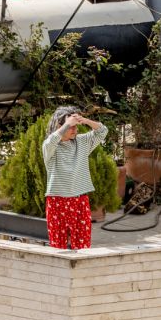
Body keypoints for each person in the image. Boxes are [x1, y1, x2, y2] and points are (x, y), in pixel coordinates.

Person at [41, 106, 107, 250]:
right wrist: (66, 124)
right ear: (60, 126)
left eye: (76, 126)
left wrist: (85, 120)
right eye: (72, 127)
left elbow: (102, 131)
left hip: (80, 200)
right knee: (58, 248)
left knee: (83, 246)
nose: (75, 130)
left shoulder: (81, 143)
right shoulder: (50, 147)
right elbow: (50, 141)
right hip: (57, 201)